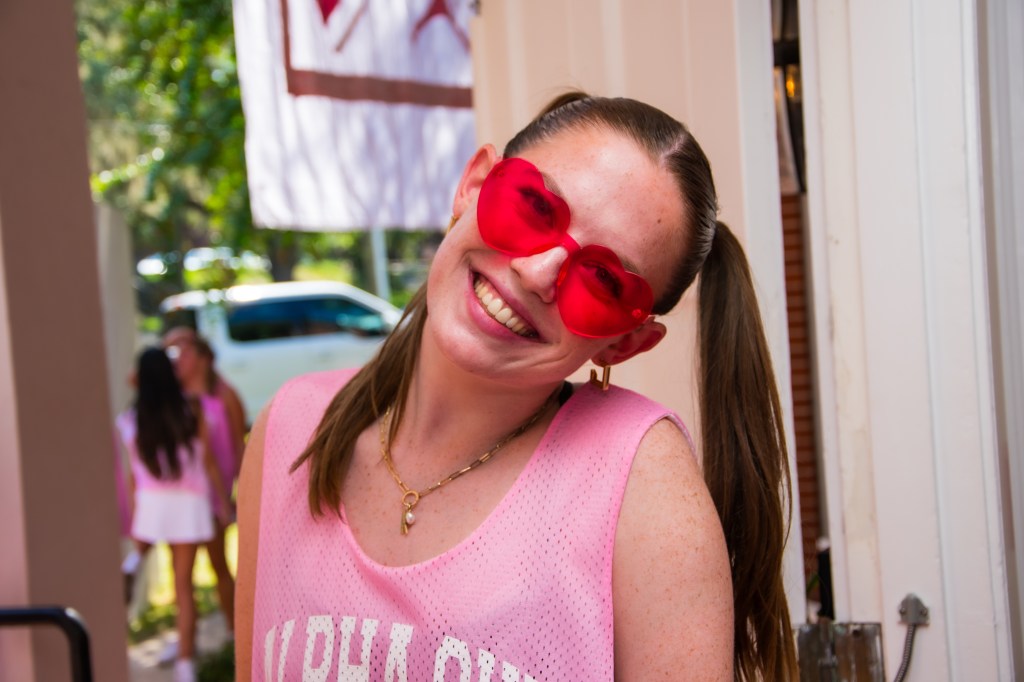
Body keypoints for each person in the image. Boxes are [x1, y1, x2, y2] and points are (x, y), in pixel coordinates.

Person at [236, 92, 797, 680]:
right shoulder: (288, 430)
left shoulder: (640, 481)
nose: (535, 272)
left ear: (624, 344)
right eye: (534, 205)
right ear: (474, 185)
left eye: (604, 280)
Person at [117, 347, 232, 682]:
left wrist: (135, 512)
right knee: (184, 585)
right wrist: (223, 504)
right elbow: (208, 462)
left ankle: (135, 558)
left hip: (152, 500)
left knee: (173, 572)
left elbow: (133, 474)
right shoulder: (193, 409)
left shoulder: (130, 419)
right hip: (188, 503)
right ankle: (185, 663)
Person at [162, 328, 246, 639]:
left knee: (219, 564)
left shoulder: (224, 395)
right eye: (171, 351)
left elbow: (239, 446)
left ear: (203, 357)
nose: (177, 358)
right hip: (183, 497)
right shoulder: (172, 398)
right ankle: (186, 640)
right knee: (180, 572)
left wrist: (240, 493)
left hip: (215, 496)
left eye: (183, 350)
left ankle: (234, 633)